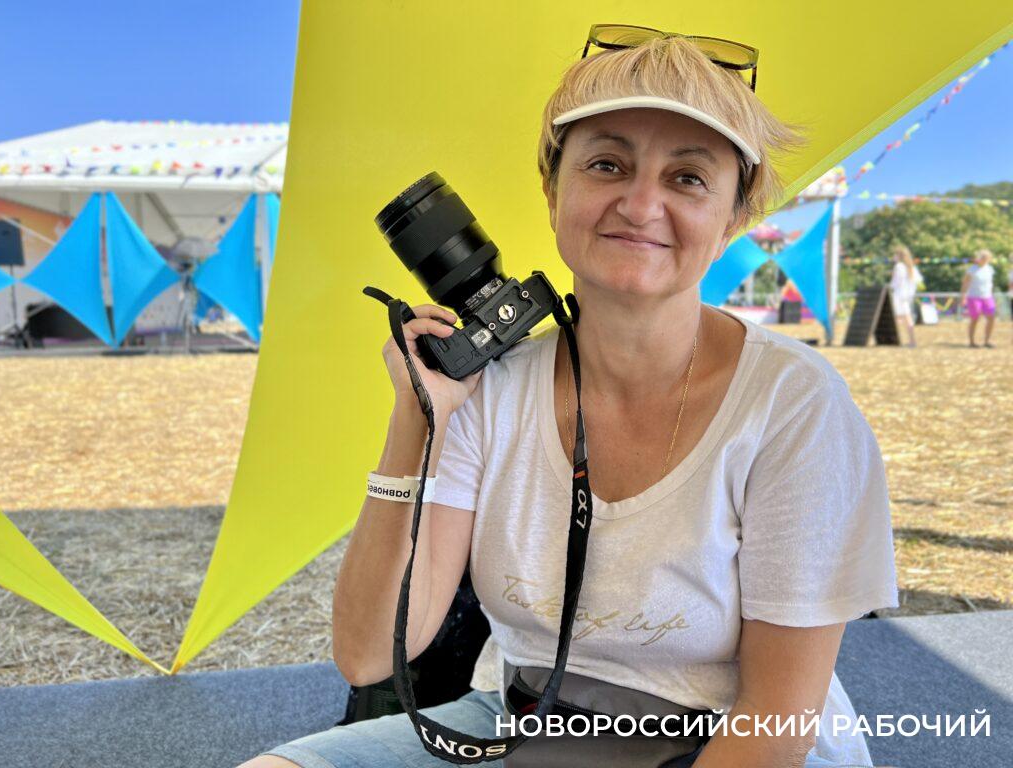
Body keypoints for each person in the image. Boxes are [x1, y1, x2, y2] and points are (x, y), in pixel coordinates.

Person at [242, 29, 898, 768]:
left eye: (688, 178)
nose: (640, 204)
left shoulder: (793, 403)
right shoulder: (492, 386)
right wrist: (418, 421)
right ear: (554, 192)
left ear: (733, 221)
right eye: (607, 164)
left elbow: (776, 720)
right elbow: (367, 653)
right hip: (525, 724)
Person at [960, 249, 996, 348]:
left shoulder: (990, 269)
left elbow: (990, 284)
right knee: (975, 318)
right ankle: (972, 342)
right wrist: (963, 297)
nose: (984, 259)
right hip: (974, 297)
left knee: (991, 318)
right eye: (982, 257)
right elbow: (965, 283)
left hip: (987, 296)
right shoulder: (972, 269)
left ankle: (987, 341)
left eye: (986, 257)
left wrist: (992, 296)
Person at [888, 244, 922, 347]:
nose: (894, 257)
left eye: (895, 255)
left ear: (899, 256)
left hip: (899, 295)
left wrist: (890, 283)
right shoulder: (911, 267)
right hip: (907, 296)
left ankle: (908, 341)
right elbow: (918, 281)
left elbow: (895, 283)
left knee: (899, 318)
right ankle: (911, 340)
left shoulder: (898, 266)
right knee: (905, 318)